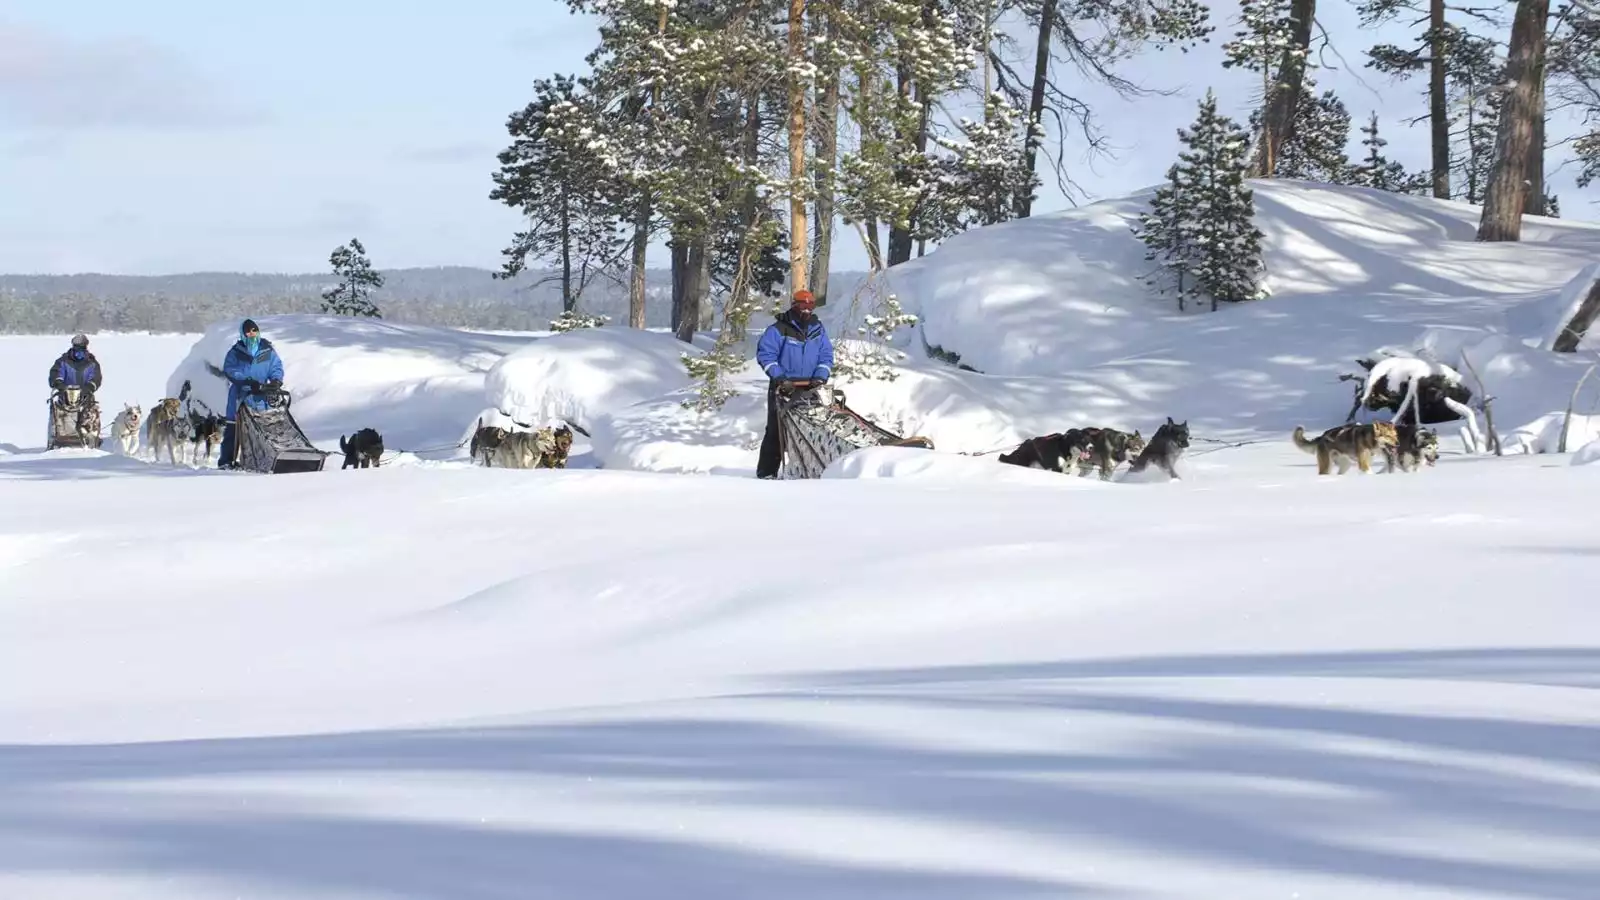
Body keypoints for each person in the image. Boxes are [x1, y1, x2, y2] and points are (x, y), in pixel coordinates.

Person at [754, 289, 834, 479]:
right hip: (784, 387)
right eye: (802, 305)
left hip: (811, 387)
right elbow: (766, 355)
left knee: (814, 428)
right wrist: (780, 378)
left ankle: (812, 469)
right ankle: (767, 473)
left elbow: (826, 356)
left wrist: (821, 376)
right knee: (776, 430)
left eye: (810, 306)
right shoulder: (778, 329)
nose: (806, 310)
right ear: (794, 305)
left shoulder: (818, 330)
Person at [217, 318, 285, 468]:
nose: (252, 333)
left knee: (262, 431)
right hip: (240, 397)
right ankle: (226, 462)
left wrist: (276, 381)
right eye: (248, 331)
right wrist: (247, 381)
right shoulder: (236, 352)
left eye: (254, 330)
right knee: (233, 432)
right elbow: (230, 370)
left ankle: (261, 460)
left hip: (261, 398)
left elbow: (276, 367)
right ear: (243, 334)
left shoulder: (267, 351)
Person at [47, 333, 103, 400]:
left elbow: (96, 377)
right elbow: (56, 373)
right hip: (65, 399)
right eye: (77, 349)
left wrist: (90, 386)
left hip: (85, 399)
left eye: (82, 349)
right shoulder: (63, 361)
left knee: (92, 409)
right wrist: (58, 384)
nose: (79, 353)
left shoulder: (92, 363)